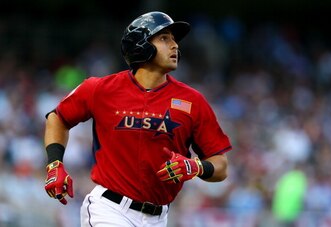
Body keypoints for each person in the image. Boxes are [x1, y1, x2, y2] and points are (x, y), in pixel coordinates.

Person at [44, 11, 232, 227]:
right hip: (109, 210)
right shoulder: (100, 88)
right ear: (141, 44)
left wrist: (196, 166)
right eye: (164, 38)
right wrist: (54, 164)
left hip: (158, 218)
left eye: (174, 39)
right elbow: (57, 118)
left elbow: (221, 166)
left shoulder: (192, 101)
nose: (175, 46)